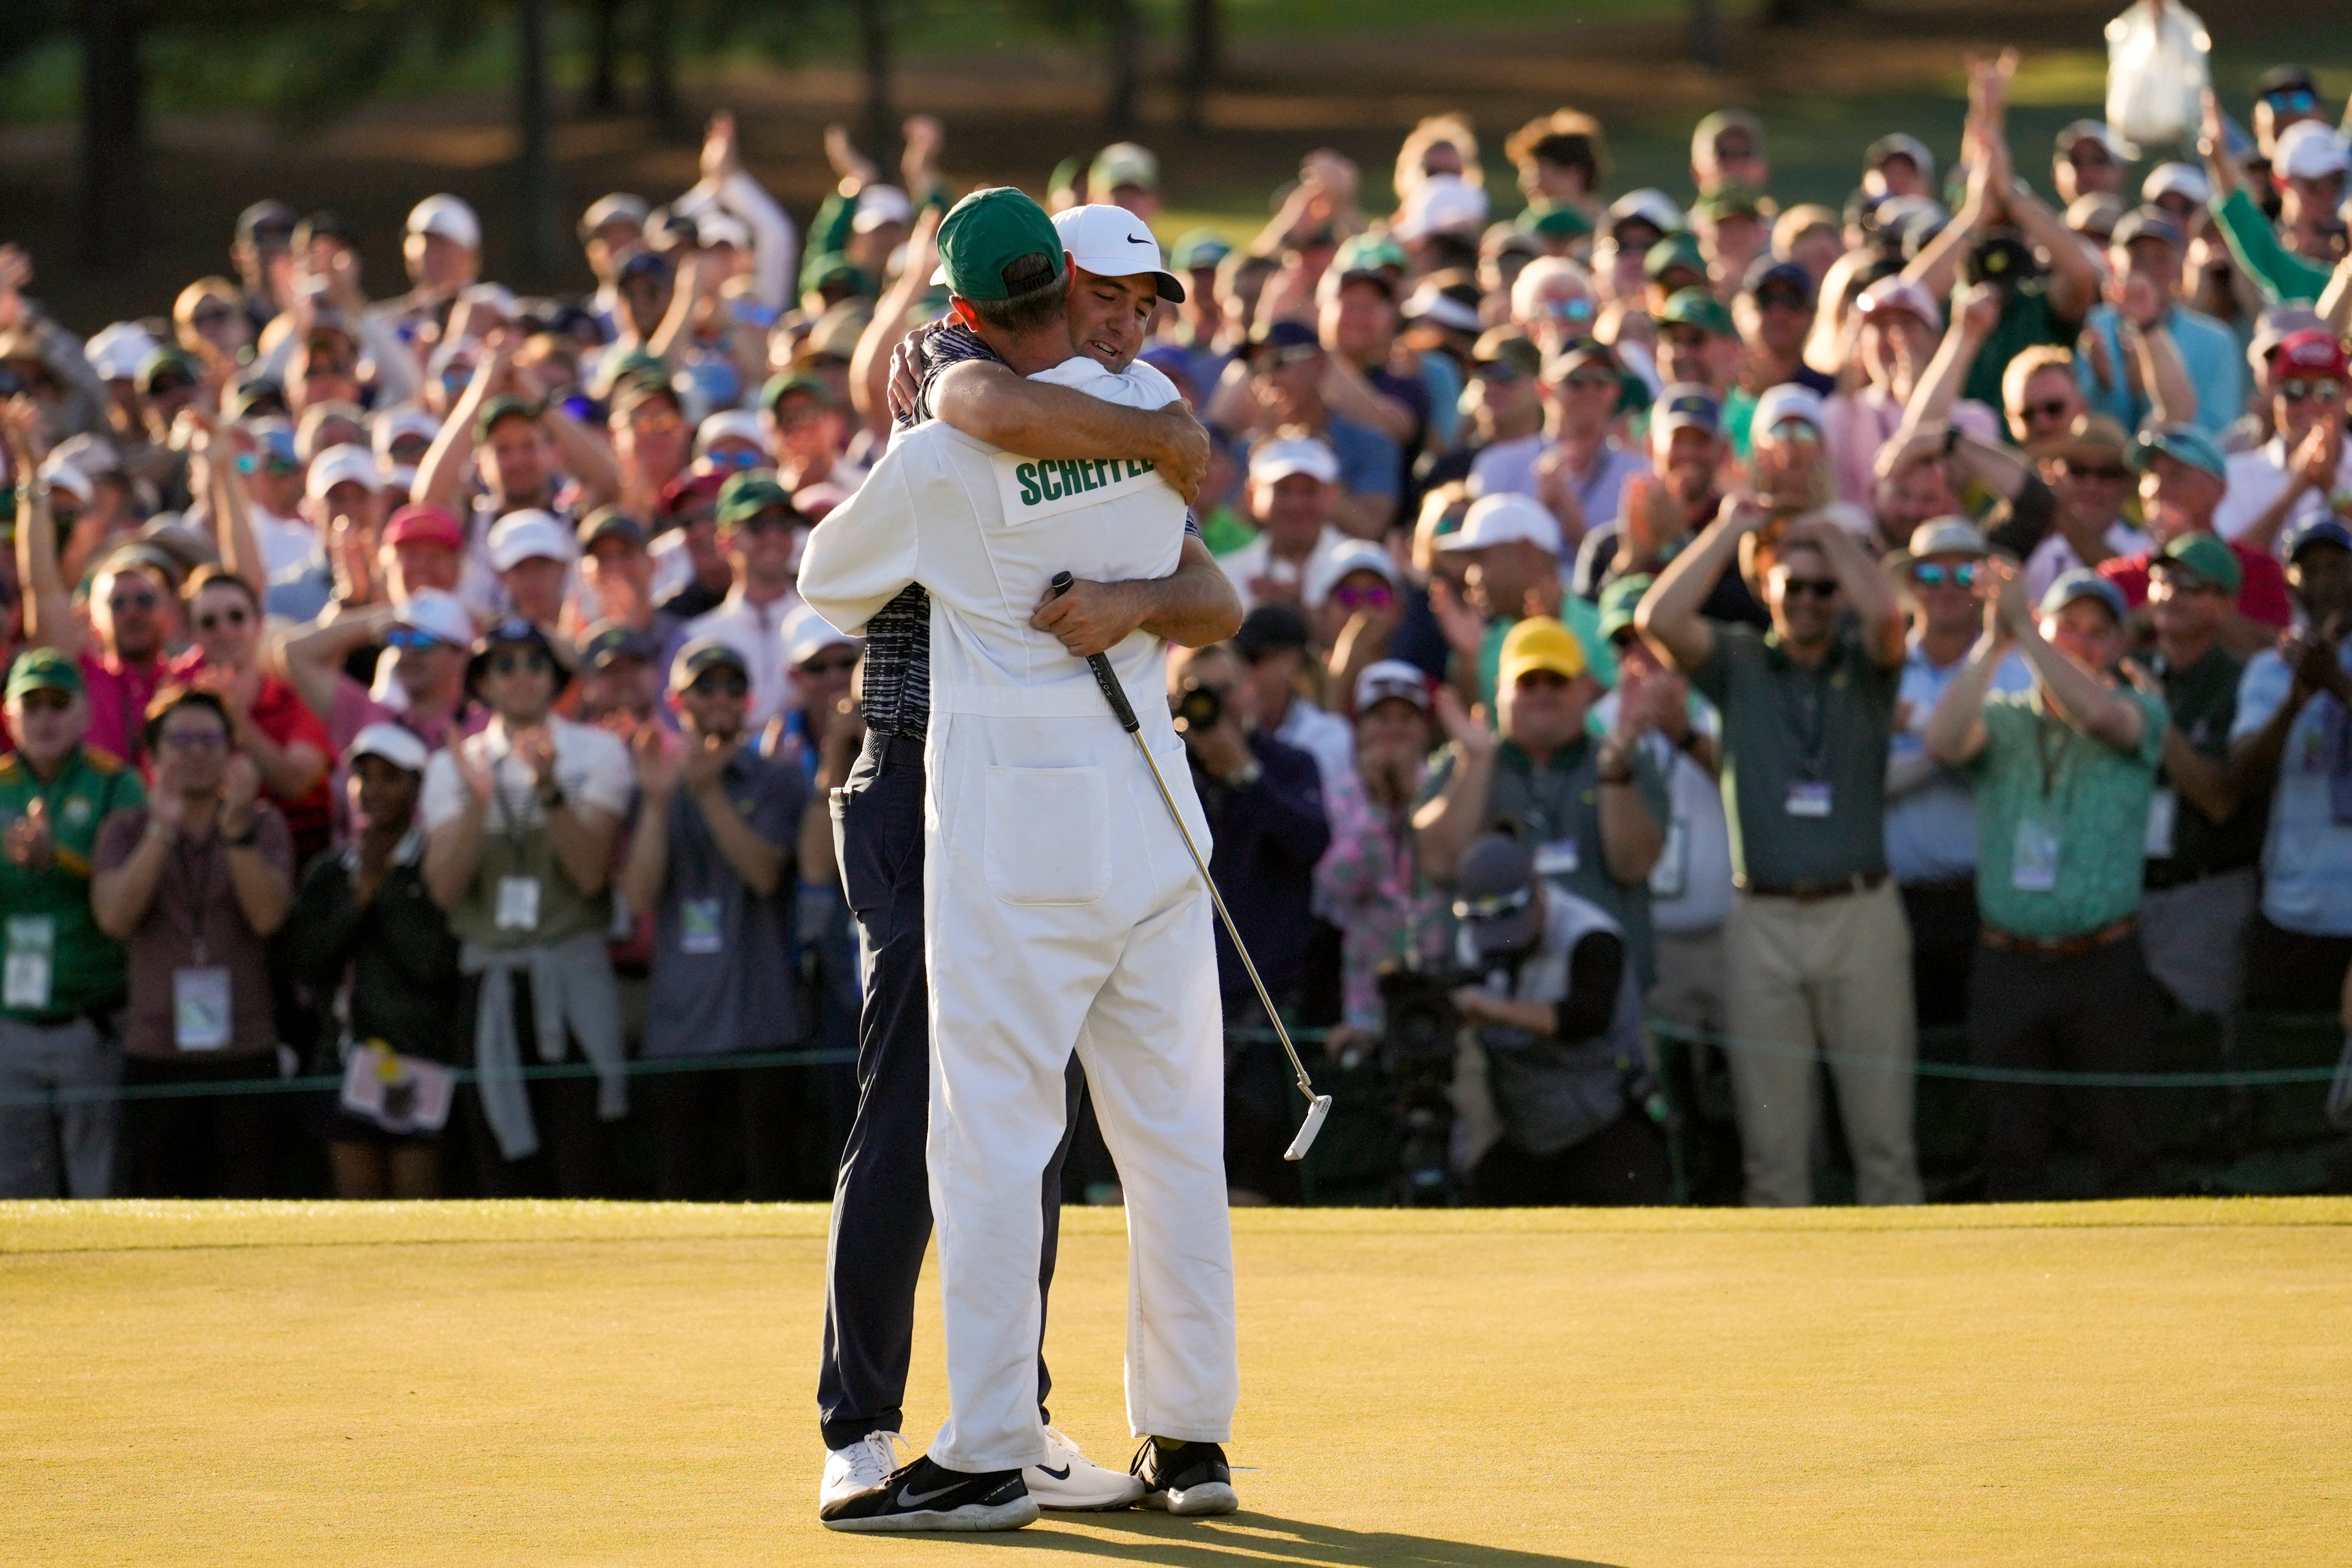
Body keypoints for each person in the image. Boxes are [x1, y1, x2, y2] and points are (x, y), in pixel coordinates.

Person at [801, 187, 1244, 1532]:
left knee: (990, 1133)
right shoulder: (1143, 421)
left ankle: (989, 1444)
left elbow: (829, 577)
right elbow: (1204, 584)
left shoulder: (954, 442)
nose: (1117, 319)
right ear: (1055, 294)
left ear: (971, 307)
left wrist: (1101, 593)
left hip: (1015, 823)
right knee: (1173, 1141)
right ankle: (1189, 1435)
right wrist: (1130, 556)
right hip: (1150, 815)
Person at [1638, 500, 1923, 1207]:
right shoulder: (1739, 662)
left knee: (1884, 1146)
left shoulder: (1864, 663)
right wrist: (1730, 529)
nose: (1806, 601)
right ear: (1767, 587)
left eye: (1822, 588)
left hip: (1860, 911)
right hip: (1760, 918)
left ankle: (1915, 1308)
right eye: (1791, 585)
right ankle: (1782, 1315)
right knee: (1773, 1156)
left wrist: (1827, 532)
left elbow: (1889, 619)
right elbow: (1657, 620)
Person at [1925, 566, 2167, 1201]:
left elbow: (2098, 715)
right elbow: (1941, 740)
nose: (2083, 644)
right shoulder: (2003, 719)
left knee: (2122, 1145)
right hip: (2010, 964)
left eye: (2097, 633)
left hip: (2104, 961)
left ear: (2118, 645)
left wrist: (2027, 635)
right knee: (2010, 1150)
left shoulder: (2140, 710)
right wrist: (1992, 642)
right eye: (2070, 628)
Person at [420, 620, 633, 1198]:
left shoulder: (598, 751)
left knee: (584, 1156)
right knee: (499, 1164)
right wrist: (475, 803)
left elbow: (590, 875)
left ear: (556, 677)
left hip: (571, 977)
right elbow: (442, 892)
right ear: (482, 683)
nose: (521, 678)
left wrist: (548, 788)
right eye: (504, 666)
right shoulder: (452, 766)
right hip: (491, 982)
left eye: (535, 664)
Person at [618, 638, 808, 1201]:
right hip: (680, 1029)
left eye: (733, 685)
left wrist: (707, 794)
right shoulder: (653, 781)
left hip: (763, 1021)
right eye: (706, 686)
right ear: (678, 702)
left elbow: (764, 875)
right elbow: (638, 895)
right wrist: (658, 803)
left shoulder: (777, 777)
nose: (721, 697)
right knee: (685, 1192)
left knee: (773, 1189)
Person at [91, 687, 295, 1197]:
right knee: (162, 1214)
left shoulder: (264, 824)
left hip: (245, 1047)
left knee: (250, 1209)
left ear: (231, 751)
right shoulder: (125, 829)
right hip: (158, 1052)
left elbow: (269, 918)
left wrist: (237, 833)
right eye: (180, 740)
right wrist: (161, 831)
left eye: (210, 739)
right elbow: (116, 919)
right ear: (154, 756)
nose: (196, 752)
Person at [1416, 616, 1666, 985]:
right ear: (1499, 689)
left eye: (1557, 680)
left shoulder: (1626, 760)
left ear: (1585, 688)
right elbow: (1440, 862)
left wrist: (1614, 773)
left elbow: (1634, 865)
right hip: (1487, 993)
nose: (1542, 693)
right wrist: (1477, 763)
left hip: (1602, 997)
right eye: (1527, 682)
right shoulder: (1464, 761)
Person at [1169, 642, 1330, 1207]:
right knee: (1172, 1177)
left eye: (1224, 689)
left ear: (1249, 694)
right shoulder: (1159, 769)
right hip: (1174, 1001)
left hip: (1264, 1013)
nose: (1214, 704)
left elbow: (1311, 841)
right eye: (1195, 691)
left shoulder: (1288, 765)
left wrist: (1244, 774)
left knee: (1256, 1182)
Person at [281, 724, 463, 1200]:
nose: (374, 790)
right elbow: (306, 964)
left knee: (416, 1213)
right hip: (340, 1059)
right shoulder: (330, 871)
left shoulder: (434, 866)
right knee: (357, 1211)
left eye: (391, 777)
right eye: (364, 776)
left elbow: (434, 964)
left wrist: (383, 895)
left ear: (417, 787)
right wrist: (356, 905)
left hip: (416, 1057)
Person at [1447, 832, 1670, 1206]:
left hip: (1603, 1123)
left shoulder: (1590, 936)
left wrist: (1494, 1011)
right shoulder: (1471, 940)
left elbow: (1586, 1017)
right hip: (1524, 1133)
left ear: (1537, 892)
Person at [0, 649, 145, 1197]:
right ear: (9, 715)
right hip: (10, 1024)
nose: (44, 717)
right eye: (30, 704)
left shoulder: (118, 786)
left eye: (58, 703)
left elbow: (133, 899)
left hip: (91, 1024)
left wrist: (56, 860)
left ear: (85, 713)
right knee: (13, 1196)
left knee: (98, 1187)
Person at [1883, 520, 2034, 1031]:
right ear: (1913, 585)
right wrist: (1949, 746)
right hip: (1899, 904)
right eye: (1931, 572)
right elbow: (1867, 781)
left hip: (1988, 901)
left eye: (1964, 572)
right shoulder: (1881, 670)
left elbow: (2014, 773)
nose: (1947, 586)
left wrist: (1921, 729)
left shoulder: (2017, 670)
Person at [2228, 519, 2352, 1037]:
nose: (2323, 581)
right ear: (2292, 582)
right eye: (2310, 569)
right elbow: (2239, 774)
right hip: (2290, 911)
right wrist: (2293, 701)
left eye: (2336, 567)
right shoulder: (2268, 668)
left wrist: (2336, 685)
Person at [2134, 537, 2263, 1021]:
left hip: (2204, 894)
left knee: (2204, 1044)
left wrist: (2153, 714)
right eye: (2164, 580)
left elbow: (2218, 799)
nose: (2173, 594)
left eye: (2193, 585)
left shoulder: (2244, 680)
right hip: (2123, 890)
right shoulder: (2128, 668)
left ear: (2225, 604)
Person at [9, 399, 174, 766]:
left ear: (170, 613)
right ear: (90, 618)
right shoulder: (81, 677)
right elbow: (43, 589)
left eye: (145, 601)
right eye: (117, 603)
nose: (131, 612)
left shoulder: (192, 678)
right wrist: (32, 475)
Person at [1313, 662, 1451, 1058]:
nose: (1394, 730)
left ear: (1425, 729)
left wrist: (1416, 803)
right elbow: (1337, 884)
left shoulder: (1445, 786)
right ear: (1360, 727)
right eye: (1381, 718)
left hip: (1443, 982)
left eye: (1406, 718)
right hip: (1369, 996)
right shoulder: (1340, 793)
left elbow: (1450, 870)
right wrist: (1375, 811)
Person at [2098, 424, 2293, 656]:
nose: (2158, 487)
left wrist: (2208, 605)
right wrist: (2148, 616)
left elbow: (2277, 656)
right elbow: (2093, 657)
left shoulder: (2257, 568)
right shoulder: (2117, 578)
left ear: (2219, 490)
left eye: (2177, 474)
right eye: (2150, 474)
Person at [2213, 328, 2352, 555]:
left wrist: (2332, 489)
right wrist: (2292, 493)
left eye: (2327, 390)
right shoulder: (2237, 475)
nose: (2310, 405)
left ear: (2348, 393)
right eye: (2294, 391)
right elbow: (2229, 575)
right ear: (2274, 395)